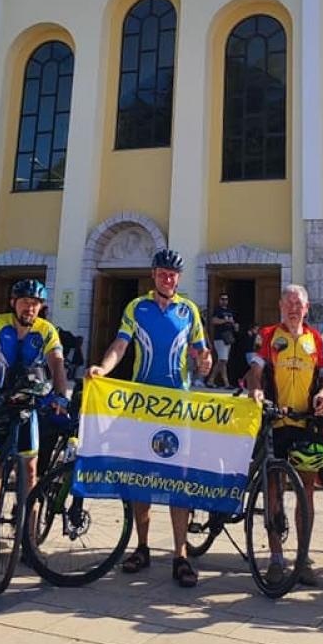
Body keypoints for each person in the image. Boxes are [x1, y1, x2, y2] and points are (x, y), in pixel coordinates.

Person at [87, 248, 212, 587]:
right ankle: (141, 547)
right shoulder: (136, 307)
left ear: (178, 279)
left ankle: (180, 555)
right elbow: (121, 345)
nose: (167, 278)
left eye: (172, 274)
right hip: (142, 405)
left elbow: (201, 350)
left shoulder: (188, 311)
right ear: (153, 275)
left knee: (177, 479)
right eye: (162, 273)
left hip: (178, 406)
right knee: (141, 476)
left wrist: (205, 361)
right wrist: (103, 367)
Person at [0, 278, 68, 564]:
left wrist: (62, 395)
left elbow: (57, 363)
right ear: (14, 302)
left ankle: (30, 540)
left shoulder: (46, 330)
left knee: (31, 470)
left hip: (26, 407)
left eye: (35, 303)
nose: (29, 307)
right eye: (24, 302)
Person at [246, 283, 323, 587]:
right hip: (275, 422)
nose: (294, 308)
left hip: (305, 422)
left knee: (306, 492)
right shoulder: (269, 336)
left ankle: (303, 556)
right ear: (281, 306)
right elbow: (256, 368)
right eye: (289, 303)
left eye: (299, 304)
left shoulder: (315, 339)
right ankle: (276, 559)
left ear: (306, 309)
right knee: (273, 491)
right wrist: (256, 388)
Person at [207, 294, 239, 388]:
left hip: (228, 338)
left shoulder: (230, 311)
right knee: (222, 360)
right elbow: (213, 321)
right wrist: (225, 321)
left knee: (223, 361)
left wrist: (235, 325)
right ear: (219, 300)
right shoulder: (217, 310)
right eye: (222, 299)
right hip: (220, 337)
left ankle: (219, 382)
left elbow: (233, 322)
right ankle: (220, 382)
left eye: (226, 299)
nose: (224, 301)